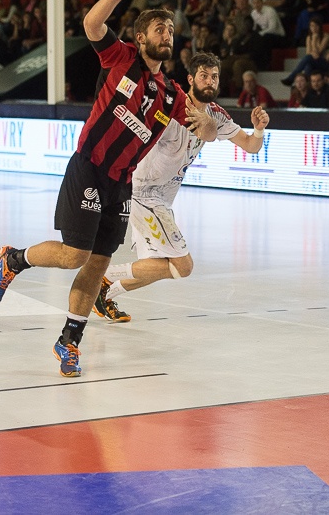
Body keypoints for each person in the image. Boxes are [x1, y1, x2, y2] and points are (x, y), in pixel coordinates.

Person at [0, 0, 217, 377]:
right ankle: (14, 259)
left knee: (98, 264)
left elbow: (204, 129)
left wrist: (210, 124)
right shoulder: (122, 57)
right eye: (159, 28)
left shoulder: (171, 94)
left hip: (122, 184)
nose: (167, 34)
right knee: (75, 255)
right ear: (141, 37)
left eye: (171, 29)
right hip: (89, 167)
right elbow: (92, 24)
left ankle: (69, 341)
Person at [96, 53, 270, 321]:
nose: (210, 81)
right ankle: (101, 276)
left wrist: (258, 129)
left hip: (163, 199)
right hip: (143, 193)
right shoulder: (172, 107)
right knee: (183, 266)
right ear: (191, 79)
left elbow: (251, 146)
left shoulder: (216, 115)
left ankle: (105, 294)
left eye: (214, 77)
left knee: (157, 267)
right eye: (204, 76)